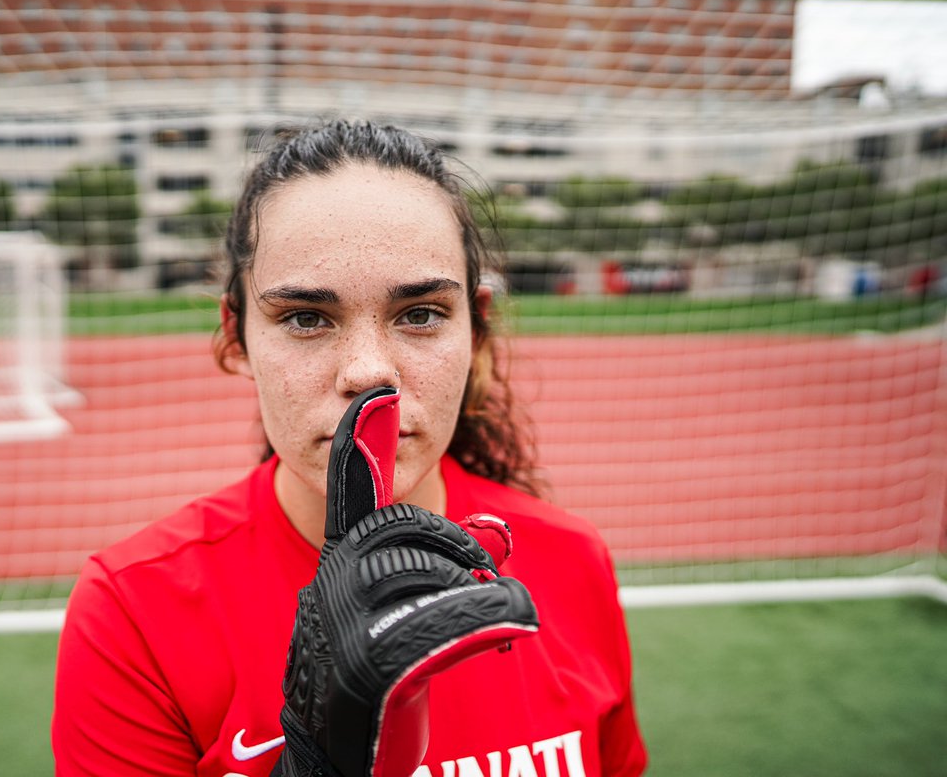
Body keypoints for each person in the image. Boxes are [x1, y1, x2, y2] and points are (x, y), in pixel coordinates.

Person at [52, 120, 647, 777]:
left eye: (420, 313)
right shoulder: (135, 609)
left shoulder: (572, 559)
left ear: (475, 328)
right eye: (307, 318)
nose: (367, 372)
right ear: (236, 336)